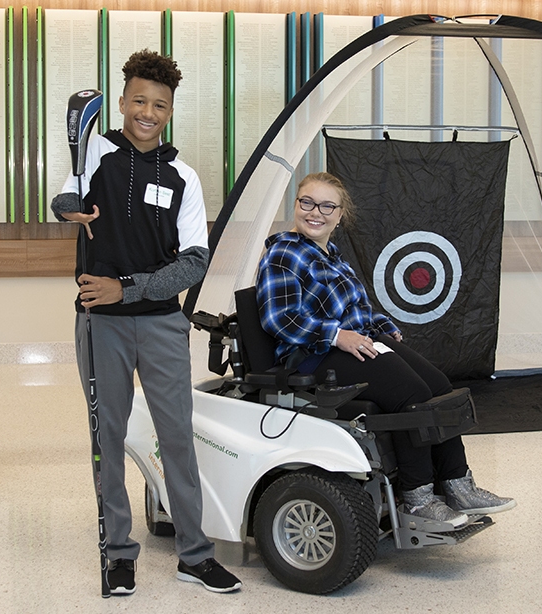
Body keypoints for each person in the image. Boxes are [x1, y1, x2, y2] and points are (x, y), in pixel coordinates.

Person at [51, 49, 241, 596]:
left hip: (160, 324)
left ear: (170, 111)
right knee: (106, 437)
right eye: (139, 101)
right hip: (101, 325)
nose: (148, 113)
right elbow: (65, 195)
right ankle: (117, 551)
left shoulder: (183, 176)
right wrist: (68, 208)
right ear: (121, 102)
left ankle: (194, 554)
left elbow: (194, 261)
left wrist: (127, 287)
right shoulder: (96, 153)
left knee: (177, 437)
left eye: (159, 105)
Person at [256, 172, 516, 527]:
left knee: (439, 386)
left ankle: (457, 484)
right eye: (308, 203)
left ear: (340, 215)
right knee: (410, 394)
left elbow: (355, 308)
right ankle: (418, 498)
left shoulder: (332, 255)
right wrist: (337, 336)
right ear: (296, 205)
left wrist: (381, 326)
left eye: (327, 206)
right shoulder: (284, 253)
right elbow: (279, 318)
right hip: (313, 355)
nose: (315, 212)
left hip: (353, 341)